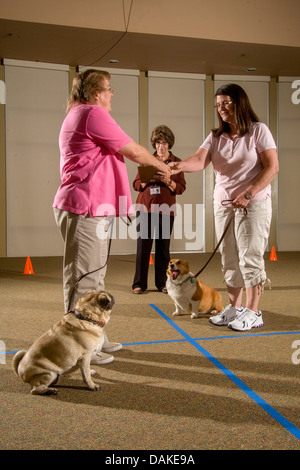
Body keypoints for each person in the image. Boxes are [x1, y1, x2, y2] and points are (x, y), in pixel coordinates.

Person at [53, 69, 171, 364]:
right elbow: (134, 150)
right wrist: (163, 166)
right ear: (95, 93)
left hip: (96, 209)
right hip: (85, 207)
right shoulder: (92, 114)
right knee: (83, 280)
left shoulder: (83, 113)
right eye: (108, 88)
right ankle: (81, 347)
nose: (111, 94)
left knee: (96, 277)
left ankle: (95, 336)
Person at [170, 83, 279, 331]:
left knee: (249, 258)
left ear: (240, 102)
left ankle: (253, 312)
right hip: (224, 206)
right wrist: (177, 166)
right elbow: (198, 160)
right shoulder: (216, 136)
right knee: (229, 258)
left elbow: (272, 167)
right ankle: (235, 308)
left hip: (253, 205)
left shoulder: (258, 131)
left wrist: (249, 192)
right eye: (218, 105)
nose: (222, 109)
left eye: (226, 103)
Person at [132, 125, 186, 294]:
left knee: (163, 248)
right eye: (157, 143)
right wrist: (145, 181)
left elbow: (182, 188)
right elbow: (135, 184)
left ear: (169, 144)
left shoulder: (177, 162)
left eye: (164, 143)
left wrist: (169, 181)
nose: (160, 146)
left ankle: (162, 283)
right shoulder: (147, 159)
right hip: (145, 208)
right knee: (143, 247)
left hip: (166, 209)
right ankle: (139, 283)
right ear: (154, 144)